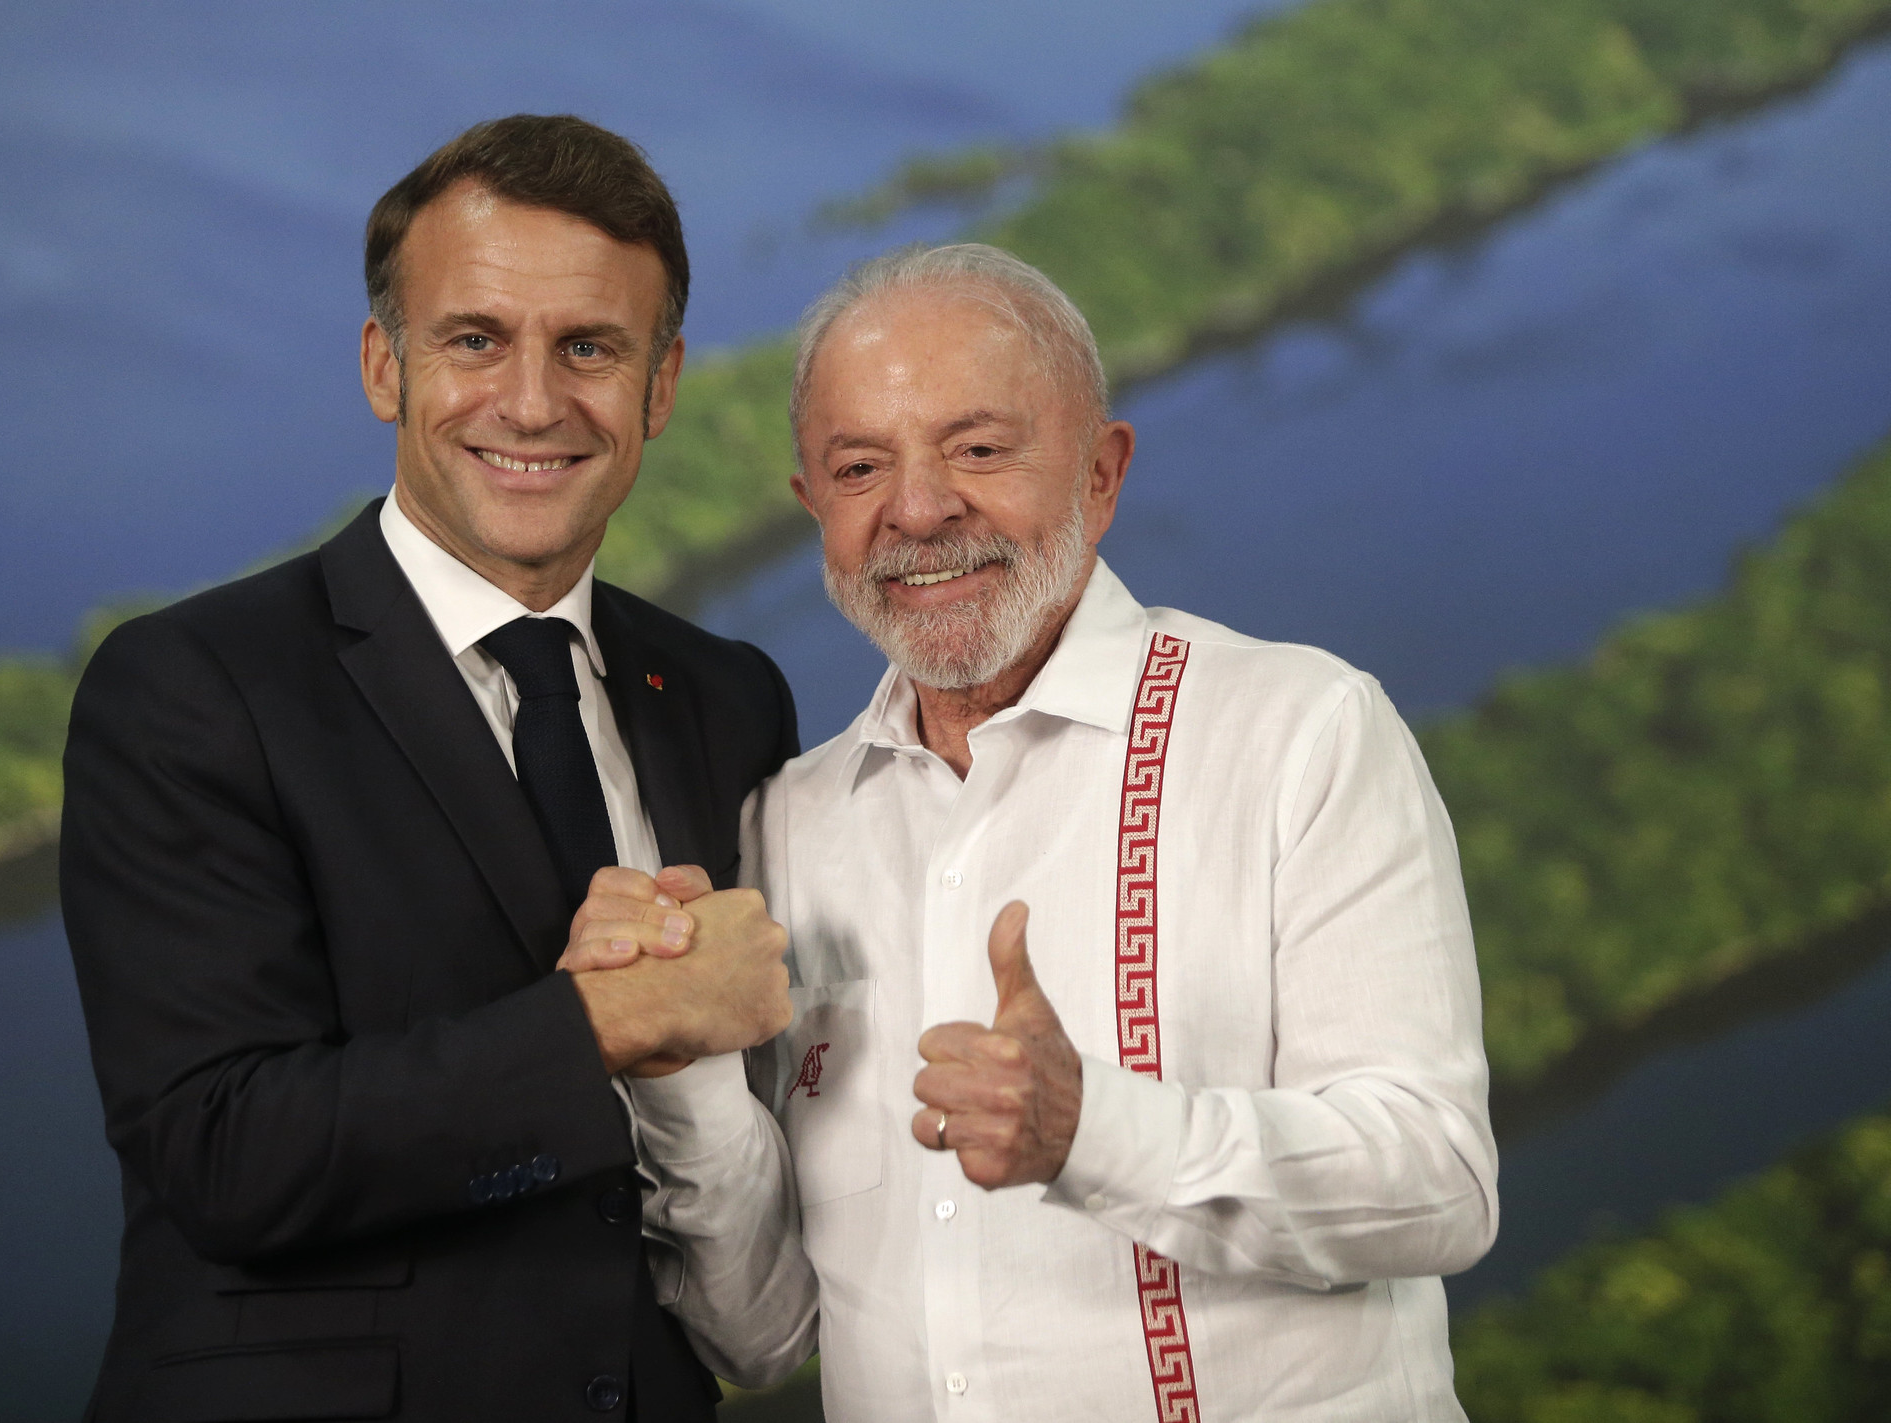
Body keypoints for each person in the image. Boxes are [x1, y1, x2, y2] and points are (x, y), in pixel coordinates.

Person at [601, 243, 1499, 1420]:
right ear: (813, 507)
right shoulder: (787, 827)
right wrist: (679, 1072)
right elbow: (761, 1335)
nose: (918, 509)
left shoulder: (1297, 732)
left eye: (977, 449)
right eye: (860, 467)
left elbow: (1438, 1184)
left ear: (1101, 473)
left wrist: (1094, 1131)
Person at [60, 114, 810, 1423]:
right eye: (474, 339)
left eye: (590, 347)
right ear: (383, 367)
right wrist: (611, 1019)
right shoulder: (189, 687)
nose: (531, 402)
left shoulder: (726, 696)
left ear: (661, 385)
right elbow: (225, 1150)